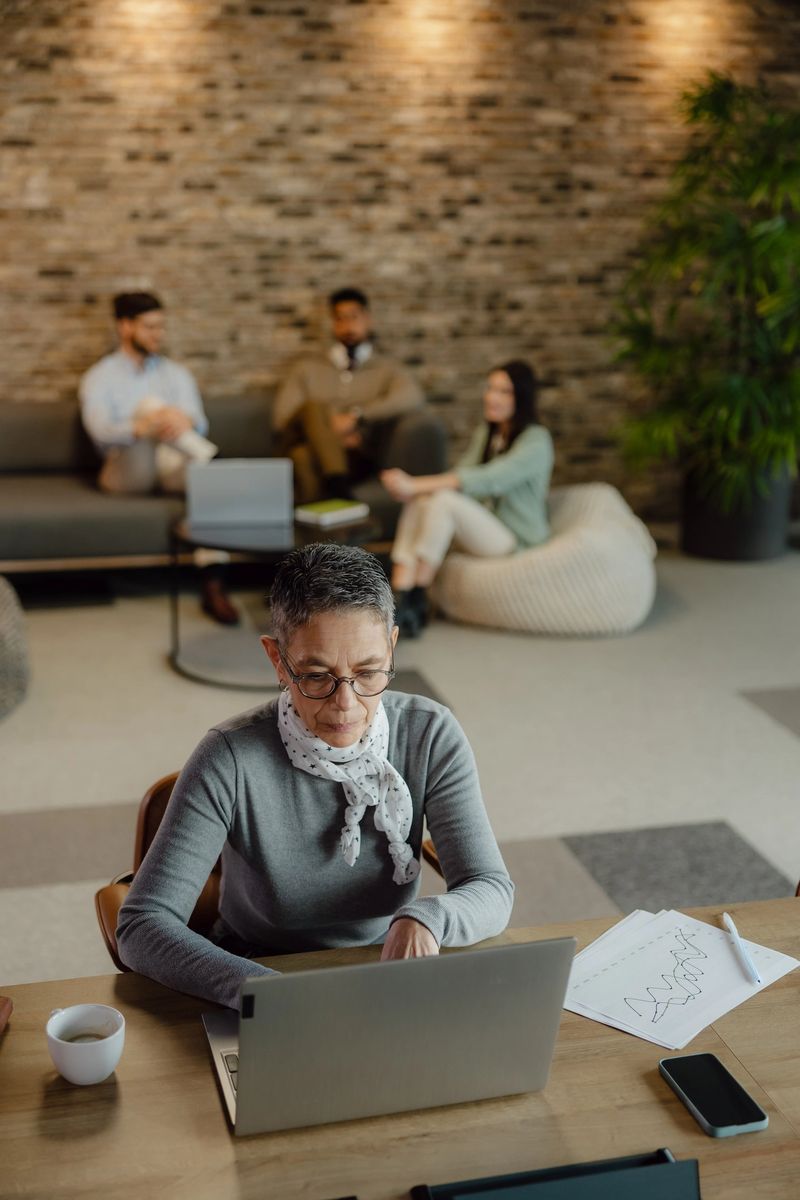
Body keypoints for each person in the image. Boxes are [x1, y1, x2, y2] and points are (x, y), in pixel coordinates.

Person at [116, 542, 513, 1009]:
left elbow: (491, 887)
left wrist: (429, 918)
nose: (346, 706)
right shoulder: (229, 757)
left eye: (369, 673)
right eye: (316, 676)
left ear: (392, 647)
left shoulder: (431, 734)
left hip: (385, 966)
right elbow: (142, 926)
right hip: (257, 972)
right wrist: (270, 995)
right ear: (277, 661)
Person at [79, 291, 238, 625]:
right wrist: (143, 425)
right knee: (152, 406)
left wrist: (184, 420)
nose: (158, 335)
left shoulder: (175, 373)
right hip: (124, 468)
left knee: (201, 473)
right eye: (150, 327)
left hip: (168, 463)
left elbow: (200, 420)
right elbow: (100, 433)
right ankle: (217, 461)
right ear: (124, 327)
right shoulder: (100, 376)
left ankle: (213, 580)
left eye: (161, 327)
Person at [380, 360, 553, 637]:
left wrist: (413, 484)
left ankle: (419, 596)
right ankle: (399, 597)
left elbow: (487, 479)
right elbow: (461, 474)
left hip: (517, 539)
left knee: (441, 500)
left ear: (522, 398)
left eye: (504, 392)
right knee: (423, 500)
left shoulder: (537, 440)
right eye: (491, 389)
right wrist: (415, 491)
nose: (492, 397)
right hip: (488, 529)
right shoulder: (490, 433)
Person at [273, 287, 424, 502]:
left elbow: (412, 397)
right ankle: (340, 491)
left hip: (353, 455)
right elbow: (282, 419)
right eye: (340, 318)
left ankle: (319, 530)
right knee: (313, 408)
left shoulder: (386, 369)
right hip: (303, 441)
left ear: (367, 319)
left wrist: (357, 418)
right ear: (332, 323)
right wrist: (329, 433)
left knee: (303, 458)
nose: (348, 325)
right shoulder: (306, 368)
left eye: (354, 317)